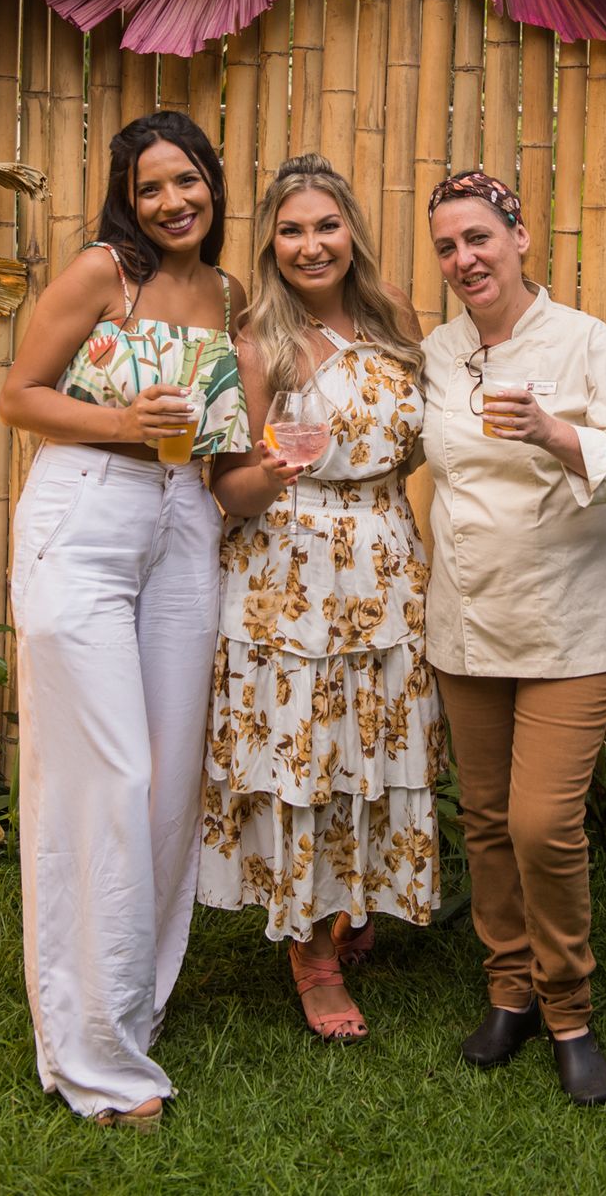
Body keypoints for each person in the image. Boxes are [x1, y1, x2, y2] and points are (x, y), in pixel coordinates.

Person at [0, 111, 249, 1130]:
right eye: (150, 187)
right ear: (126, 198)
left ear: (214, 183)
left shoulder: (229, 294)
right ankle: (95, 1060)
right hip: (87, 512)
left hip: (185, 520)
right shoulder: (104, 273)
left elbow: (225, 444)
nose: (172, 201)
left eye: (187, 180)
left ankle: (130, 1004)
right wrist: (119, 421)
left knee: (167, 782)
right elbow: (19, 396)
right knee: (106, 776)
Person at [421, 170, 606, 1106]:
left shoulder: (586, 340)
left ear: (519, 238)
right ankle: (508, 992)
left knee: (542, 823)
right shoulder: (438, 352)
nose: (464, 259)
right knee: (486, 820)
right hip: (469, 620)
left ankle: (569, 1008)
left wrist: (556, 433)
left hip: (573, 622)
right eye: (447, 246)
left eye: (479, 237)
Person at [198, 154, 444, 1042]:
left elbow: (415, 444)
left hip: (384, 556)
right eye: (292, 230)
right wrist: (272, 470)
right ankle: (310, 954)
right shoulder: (256, 343)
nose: (311, 245)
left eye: (326, 226)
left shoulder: (395, 318)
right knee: (304, 753)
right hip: (290, 571)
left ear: (351, 232)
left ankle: (355, 895)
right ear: (271, 242)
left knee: (371, 738)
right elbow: (229, 491)